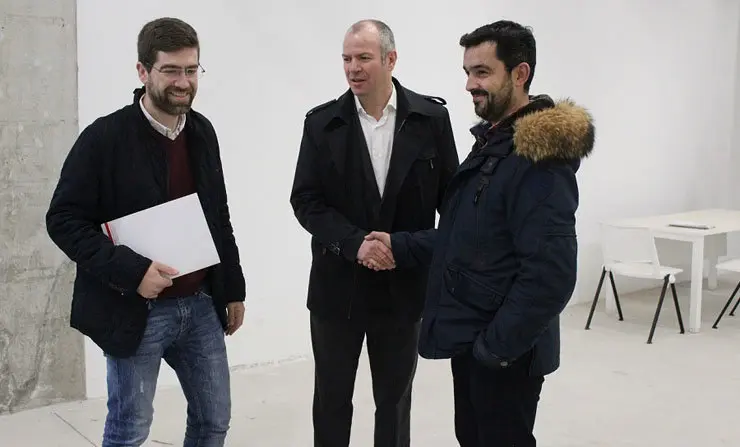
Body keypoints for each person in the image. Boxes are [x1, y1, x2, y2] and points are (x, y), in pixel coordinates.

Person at [366, 20, 595, 446]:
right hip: (475, 341)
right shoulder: (495, 143)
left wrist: (494, 349)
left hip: (504, 354)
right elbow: (468, 238)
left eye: (483, 72)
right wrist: (401, 244)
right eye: (468, 72)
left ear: (520, 73)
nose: (471, 84)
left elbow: (552, 275)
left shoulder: (537, 158)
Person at [45, 17, 246, 447]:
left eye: (192, 70)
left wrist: (233, 287)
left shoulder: (202, 131)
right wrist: (133, 271)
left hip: (200, 304)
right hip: (135, 309)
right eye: (171, 70)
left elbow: (218, 215)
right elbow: (63, 220)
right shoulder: (103, 138)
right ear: (143, 71)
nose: (184, 82)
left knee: (214, 422)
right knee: (128, 429)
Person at [289, 19, 459, 447]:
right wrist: (355, 244)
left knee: (395, 399)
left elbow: (453, 208)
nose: (353, 68)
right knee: (331, 398)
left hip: (403, 288)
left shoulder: (432, 120)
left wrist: (405, 248)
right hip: (336, 288)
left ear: (390, 59)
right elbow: (306, 201)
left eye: (363, 58)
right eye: (346, 59)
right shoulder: (321, 124)